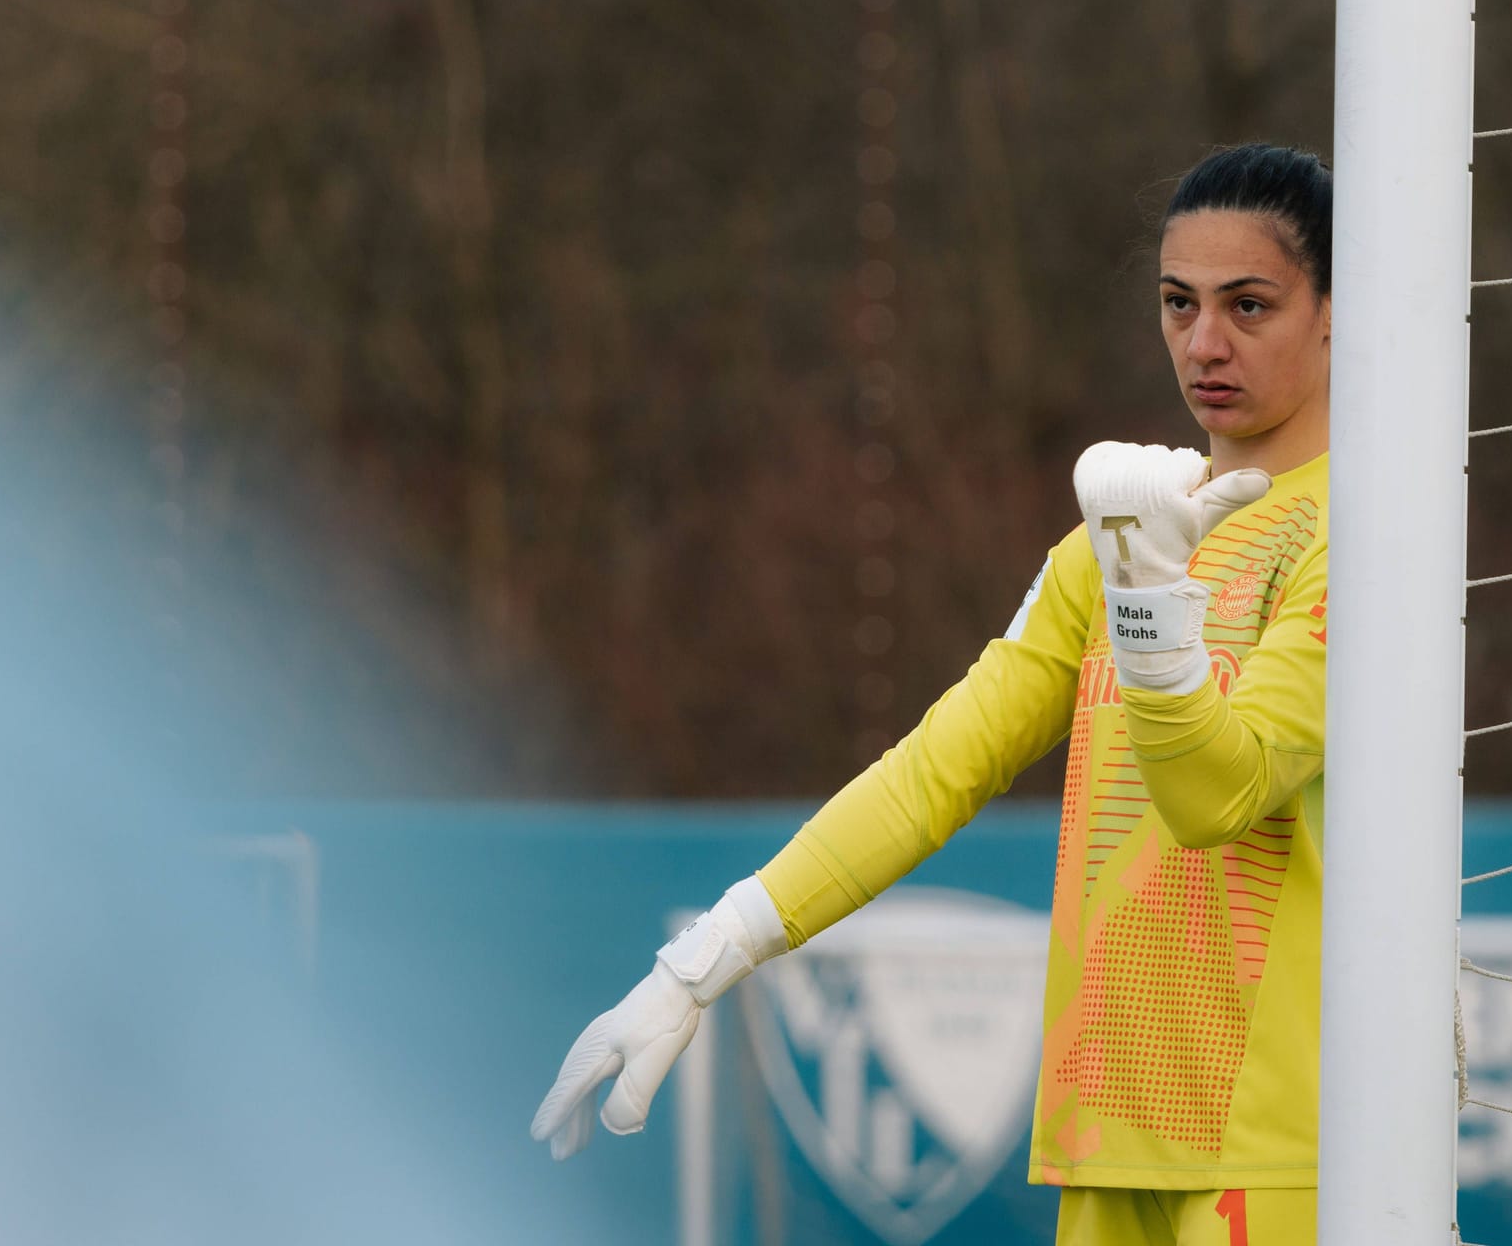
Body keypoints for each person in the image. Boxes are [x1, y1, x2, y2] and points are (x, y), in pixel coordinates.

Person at [532, 142, 1333, 1246]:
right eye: (1177, 303)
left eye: (1251, 304)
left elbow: (1216, 793)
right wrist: (703, 962)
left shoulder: (1359, 532)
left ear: (1338, 313)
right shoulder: (1110, 545)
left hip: (1283, 1148)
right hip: (1109, 1139)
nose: (1204, 342)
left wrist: (1151, 604)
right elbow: (931, 772)